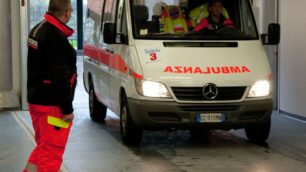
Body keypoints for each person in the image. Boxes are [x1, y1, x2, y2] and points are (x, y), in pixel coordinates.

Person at [24, 0, 76, 171]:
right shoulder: (55, 37)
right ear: (67, 11)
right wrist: (67, 109)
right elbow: (60, 76)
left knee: (43, 148)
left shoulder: (38, 29)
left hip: (37, 102)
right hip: (52, 107)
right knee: (51, 153)